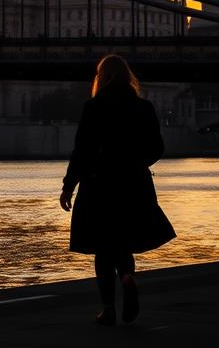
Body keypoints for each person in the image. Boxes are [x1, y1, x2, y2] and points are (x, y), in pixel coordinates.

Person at [59, 54, 175, 325]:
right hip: (134, 184)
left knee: (103, 246)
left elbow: (82, 151)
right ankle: (127, 277)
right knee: (122, 240)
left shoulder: (94, 107)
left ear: (103, 77)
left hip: (99, 184)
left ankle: (108, 308)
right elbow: (157, 147)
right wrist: (136, 164)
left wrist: (68, 186)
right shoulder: (144, 107)